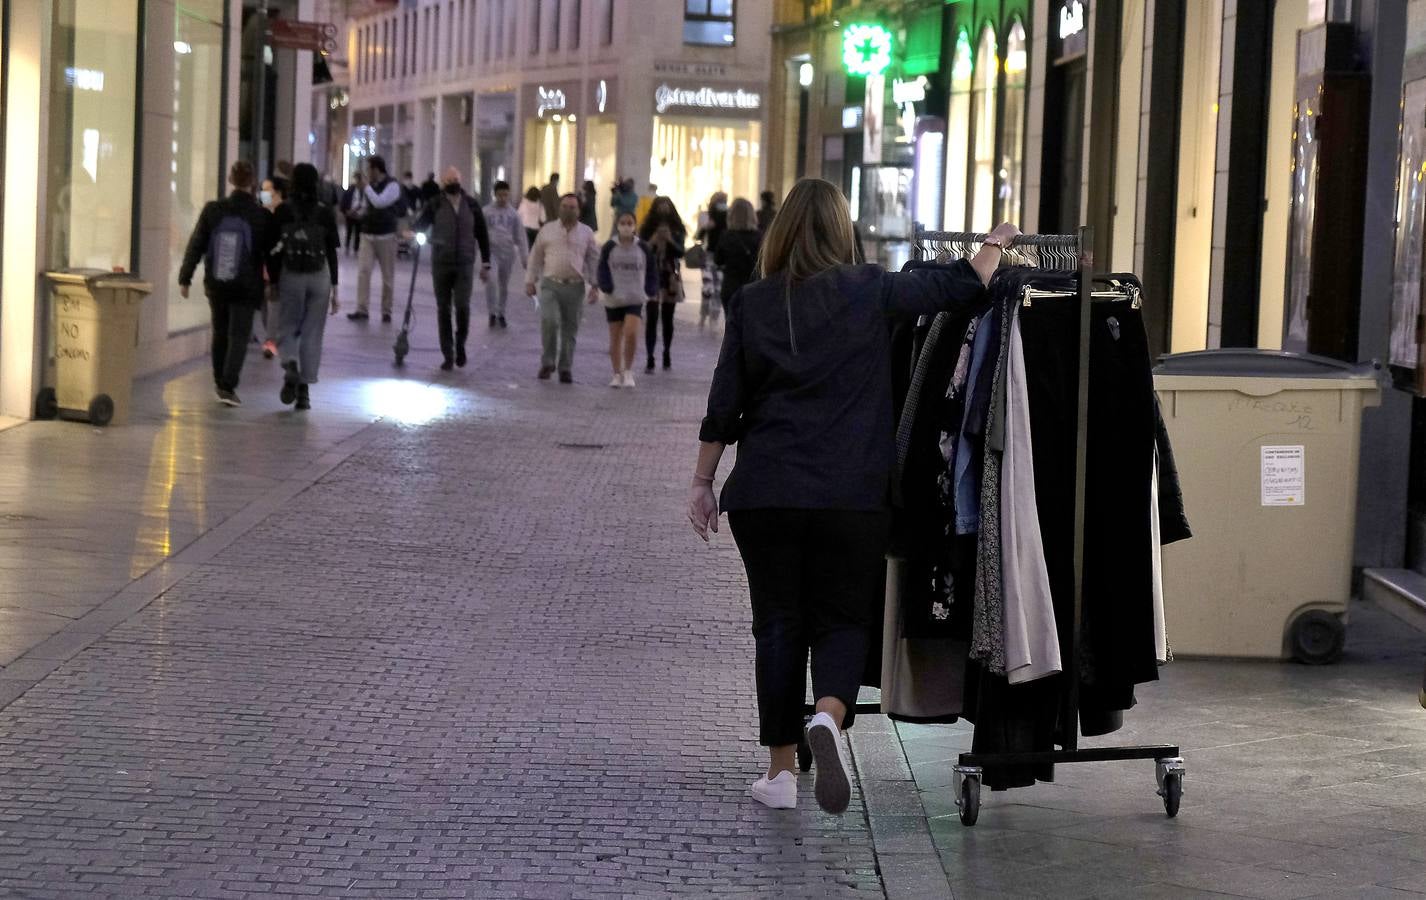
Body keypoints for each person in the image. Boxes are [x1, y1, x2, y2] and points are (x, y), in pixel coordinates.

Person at [687, 177, 1016, 813]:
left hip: (768, 494)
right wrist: (995, 242)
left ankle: (780, 773)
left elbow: (723, 405)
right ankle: (830, 716)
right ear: (844, 232)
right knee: (843, 619)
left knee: (777, 625)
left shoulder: (752, 302)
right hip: (852, 495)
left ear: (780, 233)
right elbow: (958, 288)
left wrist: (702, 482)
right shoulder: (871, 290)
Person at [177, 159, 276, 407]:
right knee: (239, 335)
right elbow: (268, 251)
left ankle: (220, 380)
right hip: (246, 285)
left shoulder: (213, 209)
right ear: (252, 182)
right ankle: (228, 385)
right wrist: (272, 282)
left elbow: (196, 244)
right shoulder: (259, 214)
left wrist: (185, 277)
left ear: (231, 180)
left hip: (217, 282)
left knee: (220, 332)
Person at [270, 162, 340, 411]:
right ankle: (304, 393)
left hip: (292, 274)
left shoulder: (283, 211)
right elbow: (331, 251)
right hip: (320, 275)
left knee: (288, 325)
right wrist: (335, 290)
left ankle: (290, 362)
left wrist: (274, 281)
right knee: (312, 333)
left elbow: (273, 251)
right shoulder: (324, 212)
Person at [412, 166, 492, 371]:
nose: (452, 184)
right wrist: (414, 235)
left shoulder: (472, 205)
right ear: (443, 183)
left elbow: (482, 234)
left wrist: (486, 262)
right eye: (448, 181)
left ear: (461, 180)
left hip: (465, 264)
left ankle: (461, 344)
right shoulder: (435, 204)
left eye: (455, 180)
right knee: (443, 309)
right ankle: (447, 353)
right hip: (441, 263)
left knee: (463, 306)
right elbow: (420, 224)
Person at [525, 193, 601, 384]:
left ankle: (565, 367)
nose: (568, 210)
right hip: (551, 284)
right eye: (565, 206)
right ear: (559, 208)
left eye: (572, 207)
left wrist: (595, 284)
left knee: (570, 328)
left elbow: (593, 259)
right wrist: (530, 280)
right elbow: (535, 256)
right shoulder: (548, 230)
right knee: (549, 321)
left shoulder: (586, 233)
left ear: (579, 210)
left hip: (575, 287)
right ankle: (548, 361)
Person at [596, 211, 657, 389]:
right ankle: (617, 373)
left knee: (631, 332)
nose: (626, 226)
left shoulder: (642, 248)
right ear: (617, 225)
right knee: (615, 337)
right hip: (614, 298)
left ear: (635, 225)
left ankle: (628, 370)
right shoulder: (609, 247)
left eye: (630, 223)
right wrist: (605, 285)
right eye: (623, 223)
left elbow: (652, 269)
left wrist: (650, 289)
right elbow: (602, 268)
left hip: (635, 297)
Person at [349, 155, 405, 323]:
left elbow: (380, 202)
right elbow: (368, 206)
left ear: (376, 169)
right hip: (368, 234)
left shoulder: (392, 185)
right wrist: (357, 213)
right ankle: (361, 308)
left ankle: (386, 310)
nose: (367, 173)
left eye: (369, 169)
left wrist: (366, 187)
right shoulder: (370, 186)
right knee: (363, 272)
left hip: (386, 235)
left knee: (387, 275)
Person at [638, 196, 686, 373]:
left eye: (667, 206)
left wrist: (670, 240)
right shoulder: (647, 227)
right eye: (660, 206)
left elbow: (681, 252)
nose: (663, 209)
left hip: (670, 276)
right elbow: (641, 250)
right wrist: (653, 240)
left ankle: (666, 352)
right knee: (651, 316)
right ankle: (650, 356)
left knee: (668, 317)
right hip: (652, 275)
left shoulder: (677, 228)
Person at [483, 180, 528, 330]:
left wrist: (524, 256)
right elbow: (479, 233)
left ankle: (501, 312)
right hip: (491, 252)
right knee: (491, 282)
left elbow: (520, 236)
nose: (503, 198)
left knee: (504, 285)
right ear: (495, 194)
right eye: (500, 195)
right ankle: (491, 312)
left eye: (505, 195)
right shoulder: (487, 212)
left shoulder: (513, 214)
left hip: (507, 253)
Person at [256, 175, 288, 359]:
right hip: (263, 265)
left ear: (277, 192)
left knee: (274, 302)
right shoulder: (262, 213)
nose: (263, 193)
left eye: (267, 189)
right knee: (264, 304)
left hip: (278, 266)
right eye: (263, 189)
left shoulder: (284, 212)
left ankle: (271, 340)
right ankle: (270, 337)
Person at [714, 198, 761, 305]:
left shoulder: (726, 236)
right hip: (753, 287)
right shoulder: (759, 237)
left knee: (731, 320)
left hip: (730, 287)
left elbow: (718, 260)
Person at [695, 191, 729, 330]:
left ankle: (714, 318)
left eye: (724, 201)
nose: (722, 204)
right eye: (720, 201)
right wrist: (706, 227)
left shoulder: (729, 216)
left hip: (723, 258)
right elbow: (697, 236)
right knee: (708, 287)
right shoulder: (706, 215)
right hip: (708, 255)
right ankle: (703, 315)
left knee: (719, 289)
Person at [341, 173, 366, 255]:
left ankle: (356, 248)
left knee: (358, 232)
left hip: (359, 215)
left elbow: (364, 203)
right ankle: (347, 246)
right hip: (350, 214)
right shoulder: (350, 190)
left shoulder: (364, 191)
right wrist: (346, 211)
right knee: (349, 231)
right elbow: (344, 201)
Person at [519, 185, 545, 250]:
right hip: (536, 229)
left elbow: (518, 215)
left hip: (525, 228)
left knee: (526, 248)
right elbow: (543, 218)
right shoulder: (540, 205)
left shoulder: (523, 203)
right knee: (534, 250)